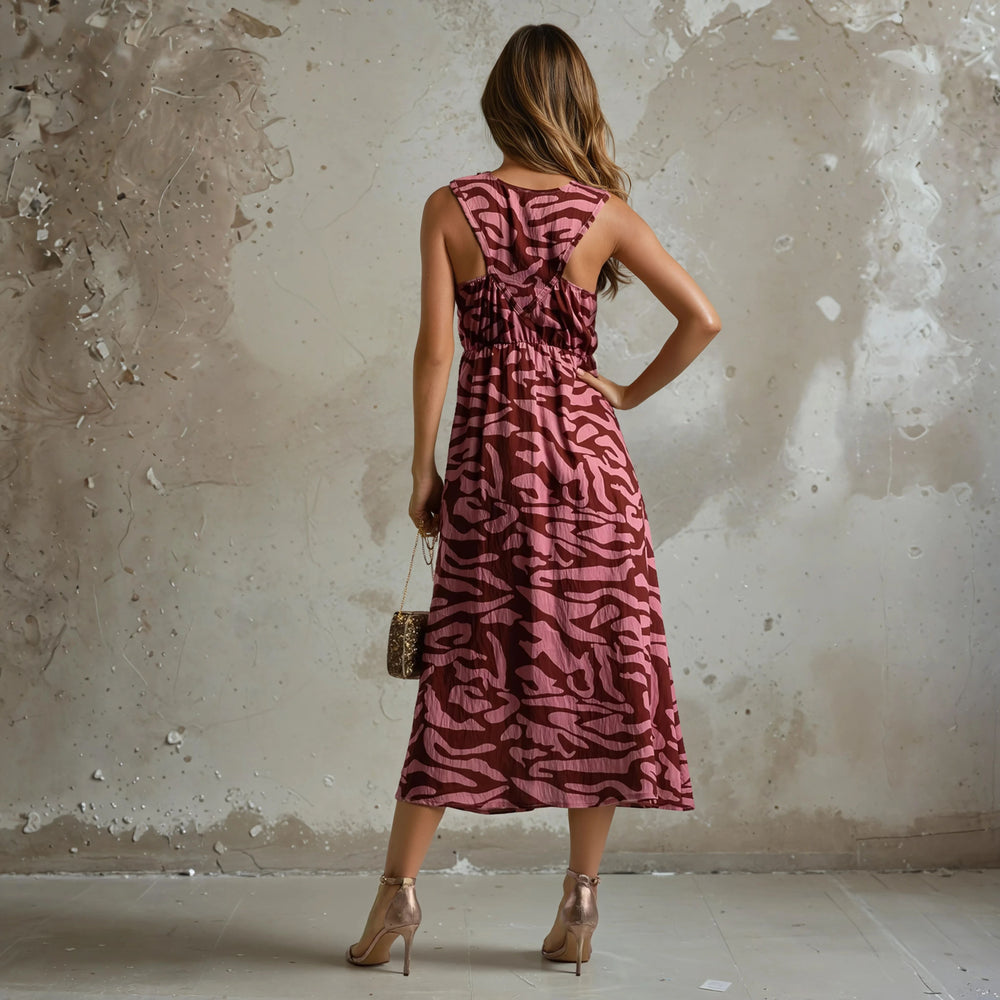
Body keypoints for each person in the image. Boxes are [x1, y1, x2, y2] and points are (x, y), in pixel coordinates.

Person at [347, 23, 721, 977]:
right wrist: (625, 394)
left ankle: (397, 895)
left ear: (499, 102)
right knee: (599, 668)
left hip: (490, 466)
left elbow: (435, 350)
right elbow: (703, 318)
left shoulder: (450, 206)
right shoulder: (605, 214)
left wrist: (423, 467)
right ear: (574, 103)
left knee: (463, 669)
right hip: (592, 472)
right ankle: (581, 899)